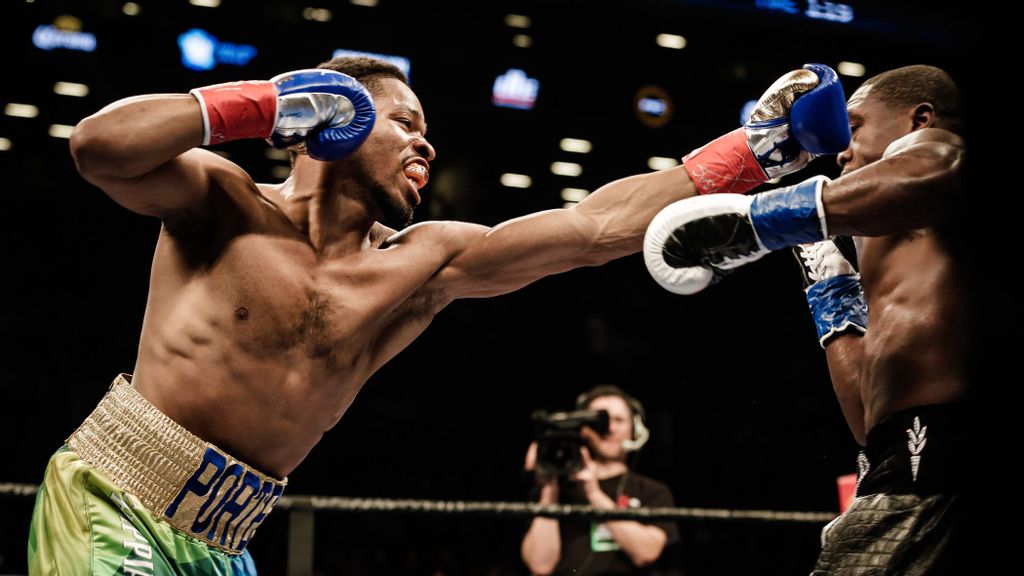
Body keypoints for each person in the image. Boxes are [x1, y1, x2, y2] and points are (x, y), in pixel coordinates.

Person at [27, 55, 848, 573]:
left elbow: (596, 227)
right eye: (406, 125)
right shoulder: (224, 199)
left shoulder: (422, 261)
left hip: (226, 538)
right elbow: (99, 148)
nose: (426, 147)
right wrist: (265, 102)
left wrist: (754, 152)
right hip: (116, 493)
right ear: (333, 119)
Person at [644, 64, 966, 573]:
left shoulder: (942, 163)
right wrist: (831, 291)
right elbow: (869, 423)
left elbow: (936, 168)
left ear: (919, 119)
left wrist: (757, 222)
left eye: (854, 126)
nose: (841, 149)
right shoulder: (879, 236)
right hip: (899, 462)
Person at [521, 385, 679, 575]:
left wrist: (594, 494)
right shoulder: (554, 491)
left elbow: (646, 553)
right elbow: (540, 566)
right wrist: (548, 492)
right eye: (599, 421)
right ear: (583, 430)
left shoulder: (653, 491)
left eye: (618, 420)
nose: (610, 428)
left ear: (635, 430)